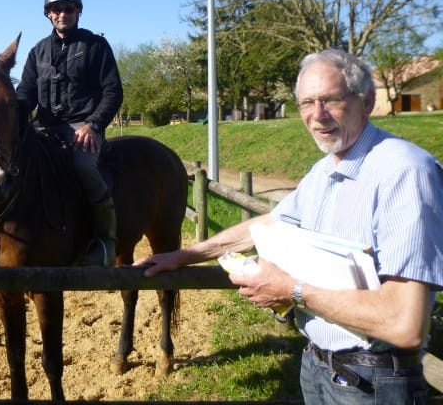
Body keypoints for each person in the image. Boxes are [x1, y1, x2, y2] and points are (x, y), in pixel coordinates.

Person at [136, 49, 443, 402]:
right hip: (317, 364)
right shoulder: (324, 170)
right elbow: (271, 224)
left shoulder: (404, 172)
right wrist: (185, 255)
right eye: (306, 103)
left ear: (368, 101)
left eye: (330, 100)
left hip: (374, 379)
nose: (317, 116)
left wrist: (292, 291)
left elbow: (405, 324)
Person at [16, 0, 123, 267]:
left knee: (83, 168)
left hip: (82, 128)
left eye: (68, 8)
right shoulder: (37, 52)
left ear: (78, 11)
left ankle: (105, 244)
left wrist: (94, 125)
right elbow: (25, 94)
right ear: (48, 14)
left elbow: (113, 92)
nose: (62, 14)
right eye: (56, 9)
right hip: (44, 129)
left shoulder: (96, 46)